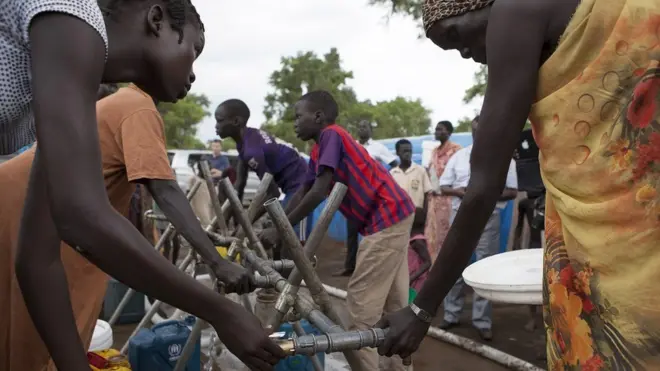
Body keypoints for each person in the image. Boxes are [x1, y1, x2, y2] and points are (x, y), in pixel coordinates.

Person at [0, 1, 284, 370]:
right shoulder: (70, 15)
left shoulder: (74, 86)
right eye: (193, 51)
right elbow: (83, 218)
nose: (194, 73)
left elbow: (37, 259)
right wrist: (221, 311)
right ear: (156, 20)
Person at [378, 0, 660, 368]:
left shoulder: (515, 10)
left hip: (618, 263)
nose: (465, 54)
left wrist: (420, 309)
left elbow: (483, 186)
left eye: (455, 35)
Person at [263, 90, 415, 370]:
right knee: (395, 306)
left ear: (319, 117)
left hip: (386, 216)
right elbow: (305, 189)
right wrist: (278, 222)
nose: (295, 122)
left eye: (299, 116)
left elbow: (320, 191)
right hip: (394, 213)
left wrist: (282, 229)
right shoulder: (319, 149)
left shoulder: (332, 135)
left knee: (362, 310)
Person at [436, 115, 518, 341]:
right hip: (460, 217)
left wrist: (485, 195)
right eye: (474, 131)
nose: (478, 135)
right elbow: (443, 186)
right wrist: (462, 193)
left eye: (482, 131)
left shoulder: (503, 159)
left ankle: (482, 321)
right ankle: (451, 315)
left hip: (488, 218)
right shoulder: (459, 157)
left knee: (485, 268)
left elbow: (512, 191)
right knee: (454, 266)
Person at [215, 98, 312, 241]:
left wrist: (246, 223)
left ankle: (302, 261)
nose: (216, 126)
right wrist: (228, 221)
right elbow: (239, 185)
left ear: (236, 122)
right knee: (279, 238)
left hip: (300, 184)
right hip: (289, 184)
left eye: (220, 120)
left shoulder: (253, 150)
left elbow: (272, 193)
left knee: (293, 238)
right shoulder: (245, 141)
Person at [336, 120, 400, 277]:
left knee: (373, 230)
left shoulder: (377, 147)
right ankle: (350, 266)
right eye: (359, 126)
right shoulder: (352, 145)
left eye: (364, 126)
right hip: (353, 193)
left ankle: (373, 267)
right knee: (352, 232)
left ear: (371, 130)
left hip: (371, 194)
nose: (361, 129)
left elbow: (394, 162)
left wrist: (378, 177)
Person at [425, 121, 461, 264]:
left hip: (449, 199)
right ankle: (434, 267)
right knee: (432, 236)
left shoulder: (456, 150)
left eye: (440, 129)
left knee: (447, 235)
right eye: (436, 129)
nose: (436, 131)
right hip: (434, 200)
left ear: (449, 132)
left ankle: (448, 268)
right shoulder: (434, 151)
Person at [390, 138, 433, 216]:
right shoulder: (393, 173)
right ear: (397, 153)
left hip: (417, 215)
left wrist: (424, 214)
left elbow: (427, 194)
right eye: (405, 151)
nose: (407, 154)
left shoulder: (420, 171)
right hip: (399, 216)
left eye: (409, 151)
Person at [408, 211, 432, 298]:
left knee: (414, 304)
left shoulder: (417, 241)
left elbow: (427, 262)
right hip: (412, 278)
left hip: (417, 280)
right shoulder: (411, 239)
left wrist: (412, 278)